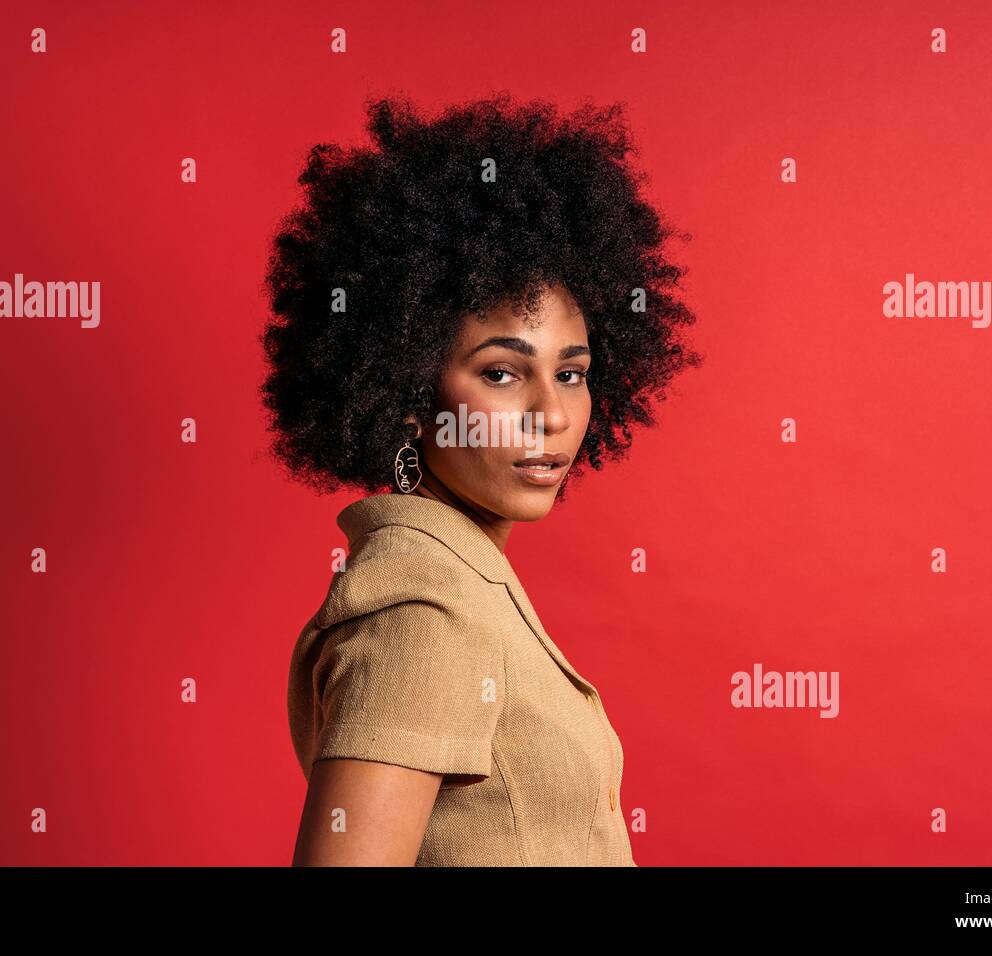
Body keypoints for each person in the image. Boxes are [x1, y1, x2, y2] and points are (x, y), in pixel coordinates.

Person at [261, 92, 700, 865]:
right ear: (403, 393)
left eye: (572, 374)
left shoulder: (465, 581)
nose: (552, 415)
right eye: (501, 373)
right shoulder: (424, 608)